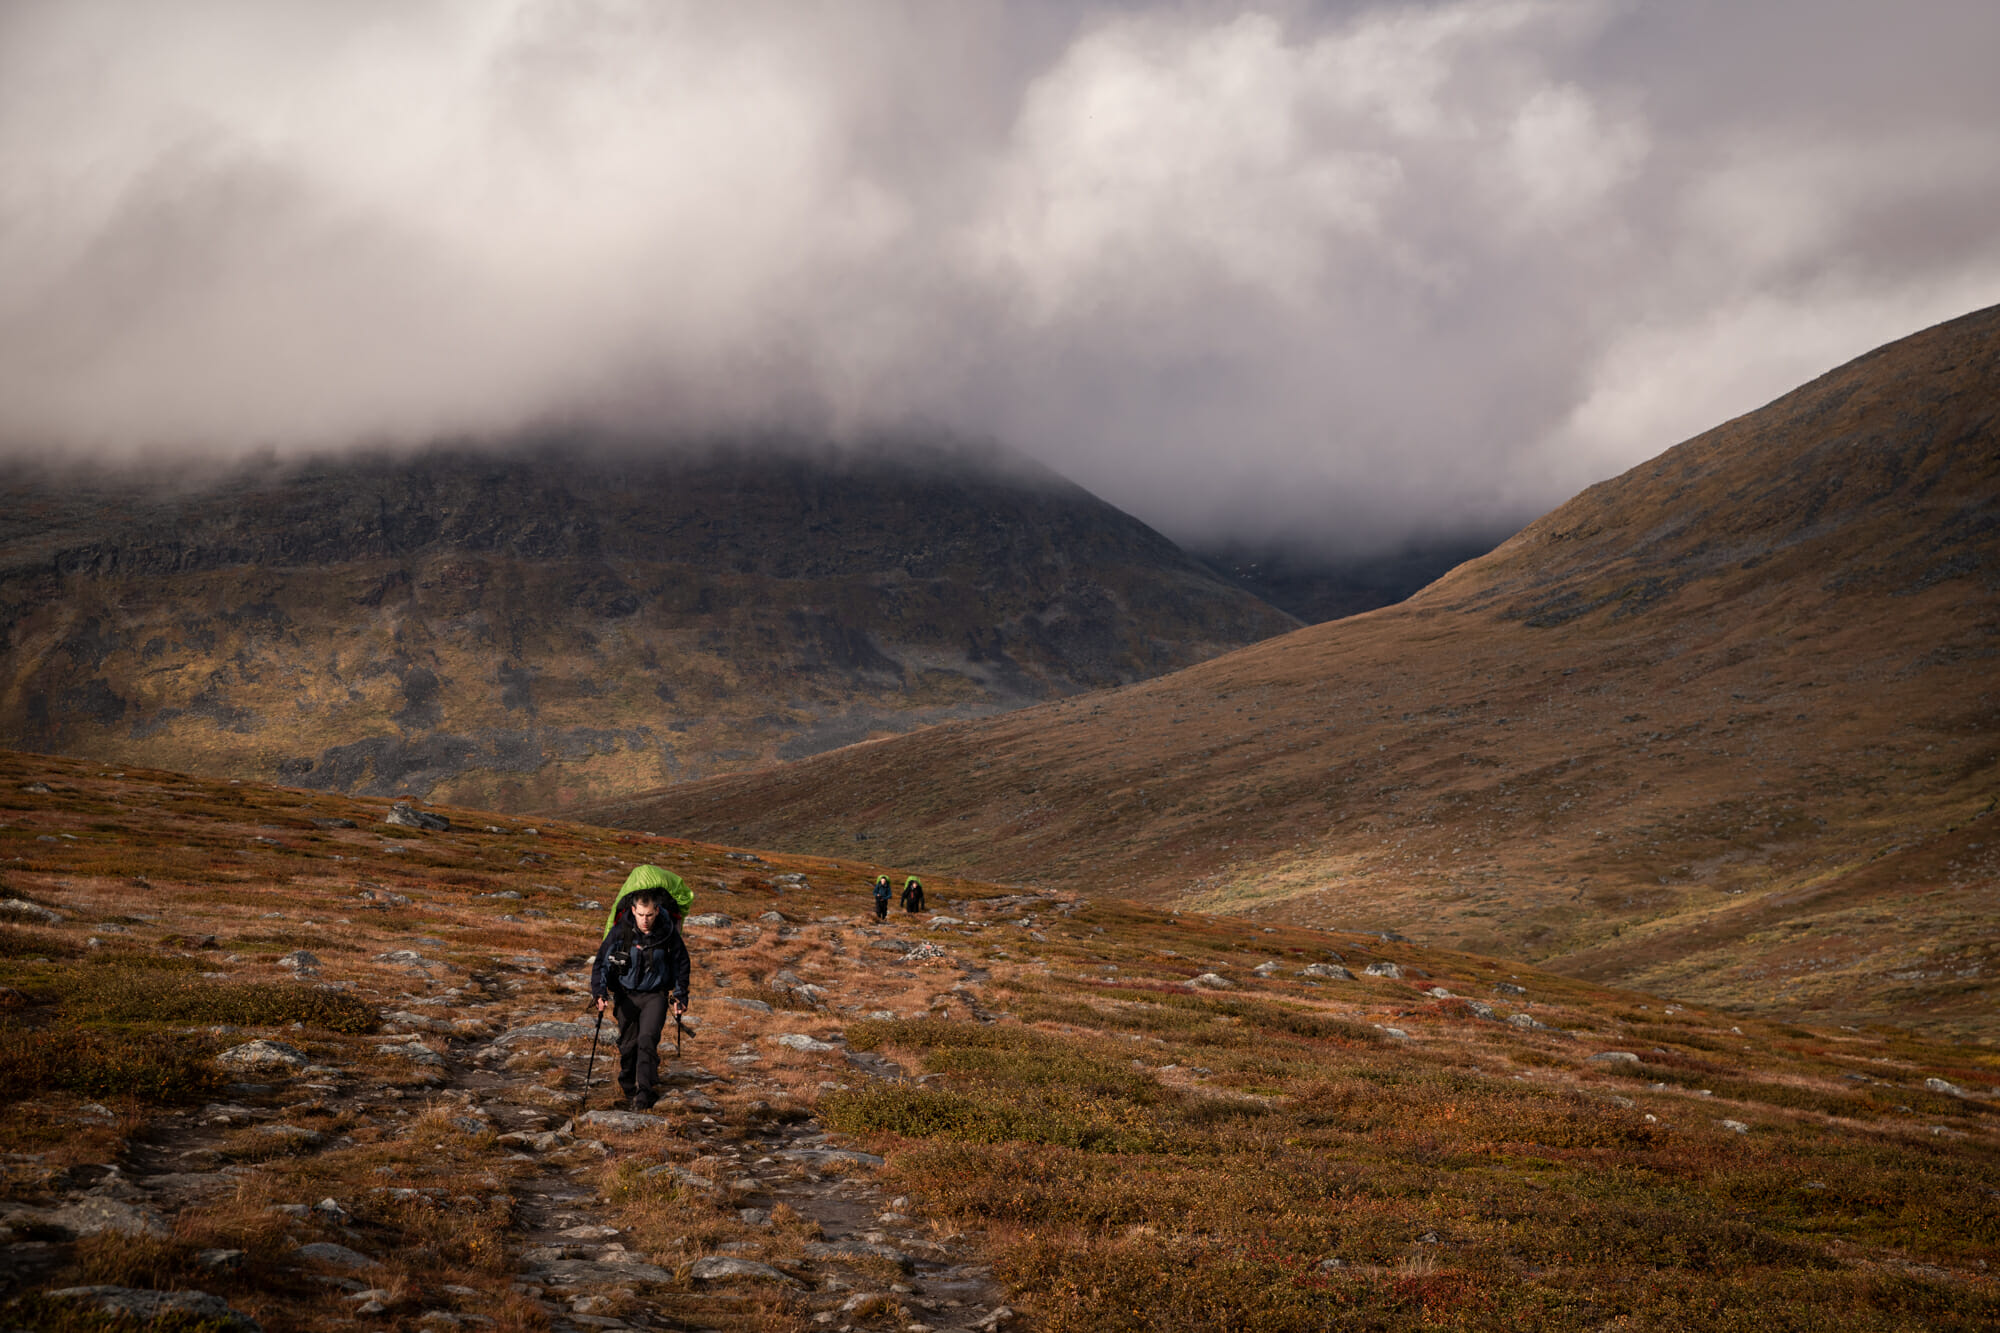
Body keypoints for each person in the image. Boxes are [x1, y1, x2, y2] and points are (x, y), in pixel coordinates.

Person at [590, 885, 690, 1111]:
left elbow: (682, 963)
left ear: (657, 911)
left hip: (655, 996)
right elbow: (602, 963)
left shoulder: (667, 932)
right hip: (625, 995)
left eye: (650, 915)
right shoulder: (620, 930)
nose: (645, 920)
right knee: (628, 1046)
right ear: (633, 910)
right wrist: (600, 991)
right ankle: (628, 1085)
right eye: (641, 915)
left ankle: (644, 1093)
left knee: (647, 1040)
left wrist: (681, 995)